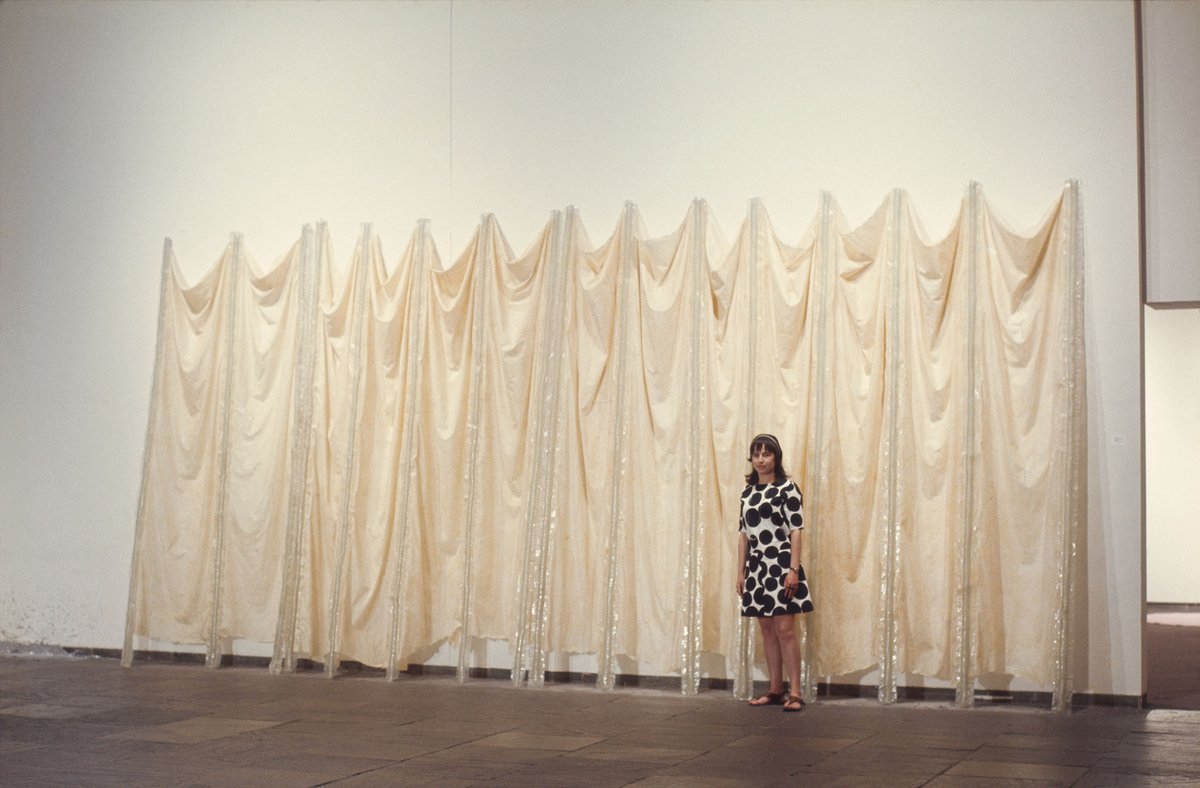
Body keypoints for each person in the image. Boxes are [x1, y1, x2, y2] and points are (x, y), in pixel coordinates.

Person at [736, 433, 813, 712]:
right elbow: (743, 535)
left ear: (776, 458)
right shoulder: (747, 493)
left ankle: (795, 692)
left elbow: (796, 530)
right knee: (766, 630)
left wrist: (793, 569)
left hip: (780, 564)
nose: (760, 459)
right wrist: (741, 572)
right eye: (756, 454)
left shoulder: (787, 489)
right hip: (756, 567)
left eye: (766, 454)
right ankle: (775, 689)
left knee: (785, 630)